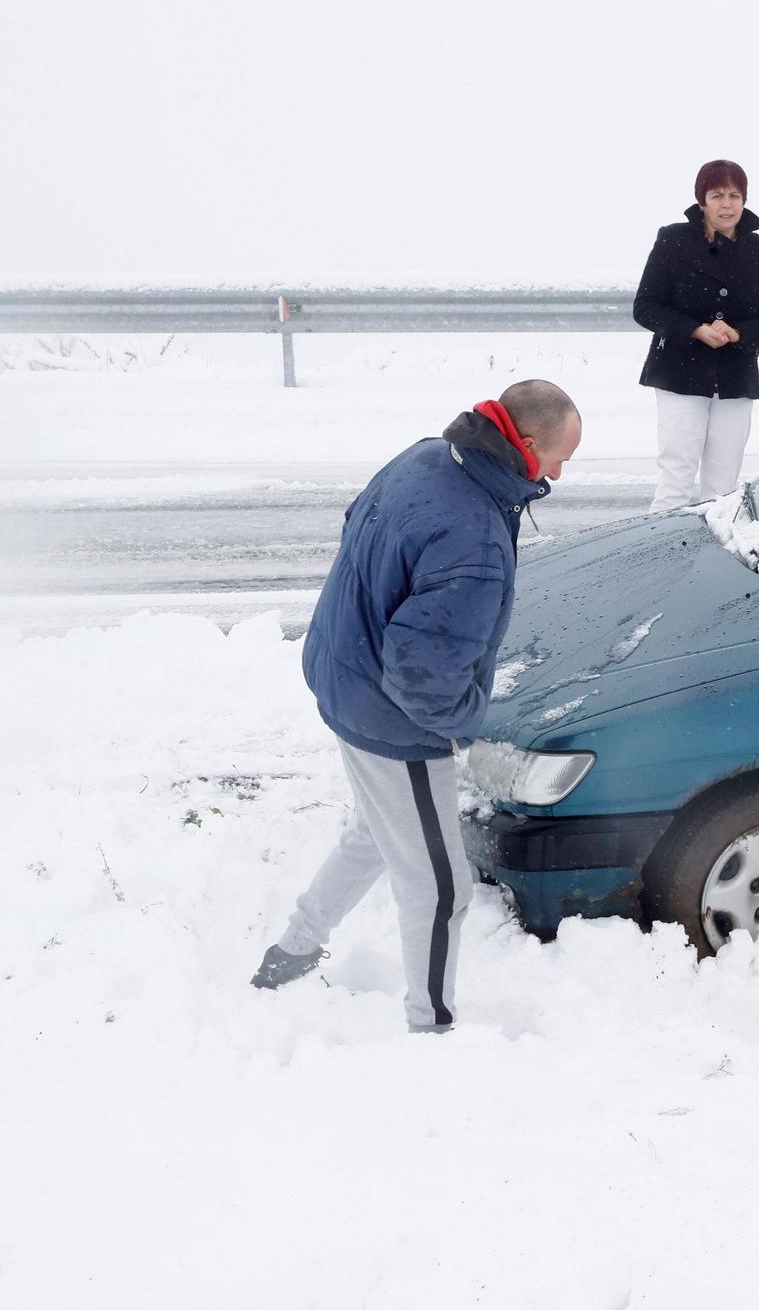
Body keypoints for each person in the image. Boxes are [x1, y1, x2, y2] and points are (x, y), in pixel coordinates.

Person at [250, 380, 583, 1032]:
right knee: (440, 888)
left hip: (341, 671)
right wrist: (462, 727)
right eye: (562, 457)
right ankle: (430, 1026)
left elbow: (357, 533)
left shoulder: (429, 456)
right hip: (392, 718)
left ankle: (291, 949)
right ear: (529, 441)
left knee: (376, 831)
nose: (563, 473)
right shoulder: (477, 537)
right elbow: (420, 671)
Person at [634, 159, 759, 512]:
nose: (727, 204)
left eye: (735, 195)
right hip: (679, 372)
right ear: (701, 201)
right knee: (676, 478)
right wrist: (694, 330)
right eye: (717, 195)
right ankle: (660, 560)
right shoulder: (673, 240)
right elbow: (645, 307)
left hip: (735, 378)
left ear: (744, 200)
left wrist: (739, 333)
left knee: (722, 489)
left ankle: (710, 561)